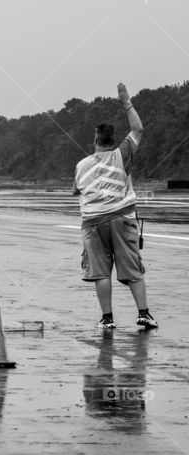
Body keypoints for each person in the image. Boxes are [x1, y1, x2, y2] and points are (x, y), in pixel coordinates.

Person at [72, 83, 156, 329]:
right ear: (113, 140)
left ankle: (107, 319)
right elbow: (138, 128)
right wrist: (126, 102)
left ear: (95, 140)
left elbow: (77, 189)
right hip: (122, 218)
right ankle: (143, 313)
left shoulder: (81, 165)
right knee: (132, 267)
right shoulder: (122, 155)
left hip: (92, 222)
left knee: (100, 272)